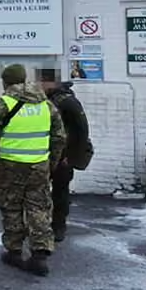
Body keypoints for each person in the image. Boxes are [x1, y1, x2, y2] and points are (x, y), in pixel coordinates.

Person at [0, 64, 65, 277]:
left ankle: (14, 251)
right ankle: (40, 254)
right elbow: (59, 137)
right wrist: (50, 163)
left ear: (6, 81)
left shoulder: (2, 104)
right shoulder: (46, 104)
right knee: (39, 207)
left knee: (11, 207)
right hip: (39, 165)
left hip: (10, 166)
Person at [37, 69, 91, 242]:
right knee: (45, 192)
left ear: (52, 82)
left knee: (60, 192)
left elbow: (82, 130)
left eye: (43, 82)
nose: (41, 85)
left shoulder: (67, 102)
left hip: (64, 157)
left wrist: (73, 156)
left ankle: (59, 226)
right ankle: (44, 225)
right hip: (49, 154)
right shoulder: (49, 100)